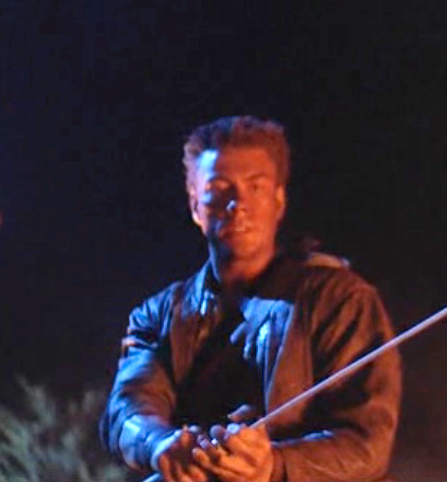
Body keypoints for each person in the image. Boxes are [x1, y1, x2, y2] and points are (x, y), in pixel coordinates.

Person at [100, 116, 402, 482]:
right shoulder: (157, 315)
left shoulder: (341, 301)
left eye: (255, 187)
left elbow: (367, 444)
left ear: (279, 200)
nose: (237, 203)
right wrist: (161, 445)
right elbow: (127, 411)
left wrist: (274, 464)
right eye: (218, 187)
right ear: (195, 206)